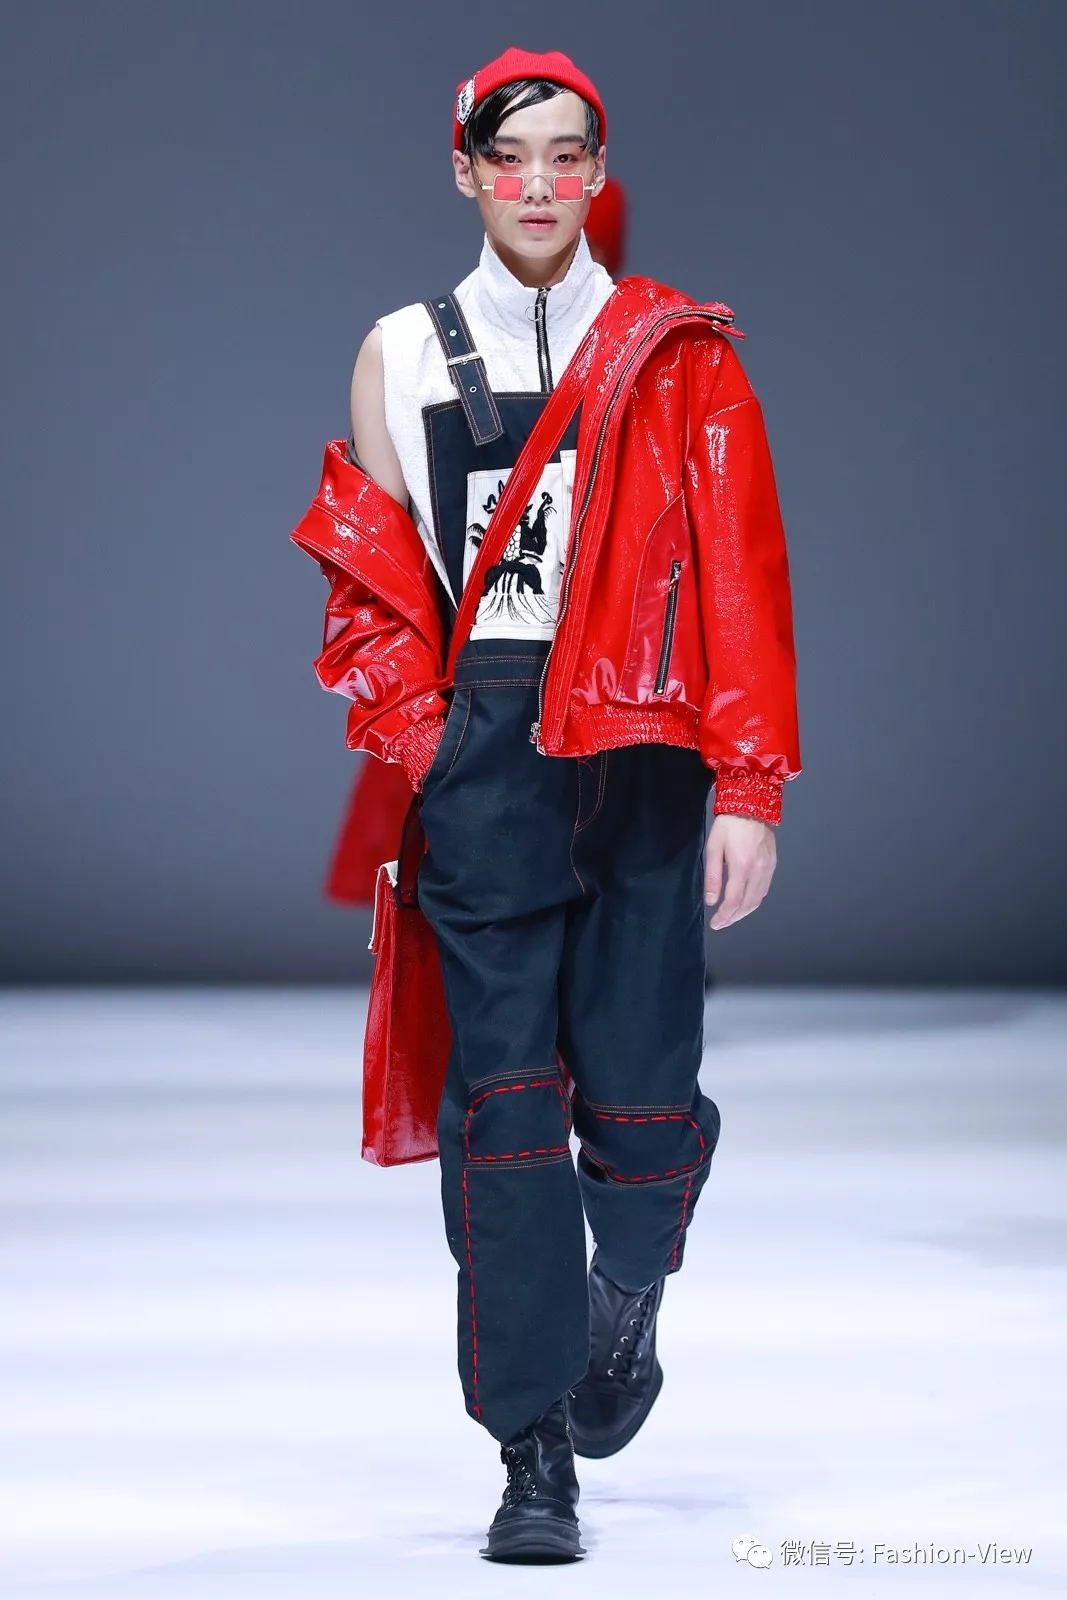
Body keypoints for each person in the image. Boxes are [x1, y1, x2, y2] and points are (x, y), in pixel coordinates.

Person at [290, 46, 801, 1563]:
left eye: (565, 155)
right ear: (462, 169)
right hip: (490, 770)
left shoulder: (676, 352)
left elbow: (737, 577)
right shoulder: (399, 352)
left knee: (640, 1110)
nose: (536, 184)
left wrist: (746, 782)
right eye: (509, 157)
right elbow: (370, 579)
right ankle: (530, 1454)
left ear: (596, 172)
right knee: (500, 1113)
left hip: (642, 761)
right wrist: (428, 743)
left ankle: (625, 1289)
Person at [320, 174, 631, 910]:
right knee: (464, 890)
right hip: (472, 678)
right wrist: (426, 744)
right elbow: (374, 563)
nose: (540, 198)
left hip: (579, 698)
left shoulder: (644, 355)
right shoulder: (414, 350)